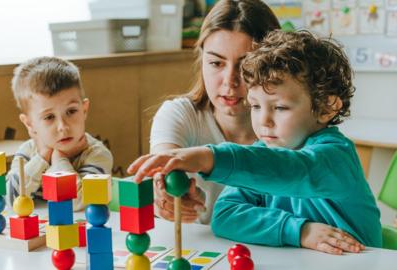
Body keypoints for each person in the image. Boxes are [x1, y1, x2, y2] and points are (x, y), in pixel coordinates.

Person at [129, 30, 382, 254]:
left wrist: (210, 157)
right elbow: (225, 215)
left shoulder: (336, 157)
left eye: (280, 107)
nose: (264, 121)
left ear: (327, 107)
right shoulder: (264, 152)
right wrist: (299, 231)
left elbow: (291, 169)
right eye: (255, 106)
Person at [150, 0, 280, 224]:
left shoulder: (293, 127)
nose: (230, 81)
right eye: (216, 63)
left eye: (245, 65)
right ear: (202, 60)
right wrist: (168, 195)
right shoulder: (180, 114)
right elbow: (163, 166)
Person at [5, 56, 113, 210]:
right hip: (43, 231)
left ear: (84, 110)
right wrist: (42, 158)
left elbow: (80, 203)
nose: (63, 126)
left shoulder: (97, 154)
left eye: (71, 111)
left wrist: (59, 159)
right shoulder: (28, 152)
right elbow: (10, 199)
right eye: (49, 117)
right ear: (29, 123)